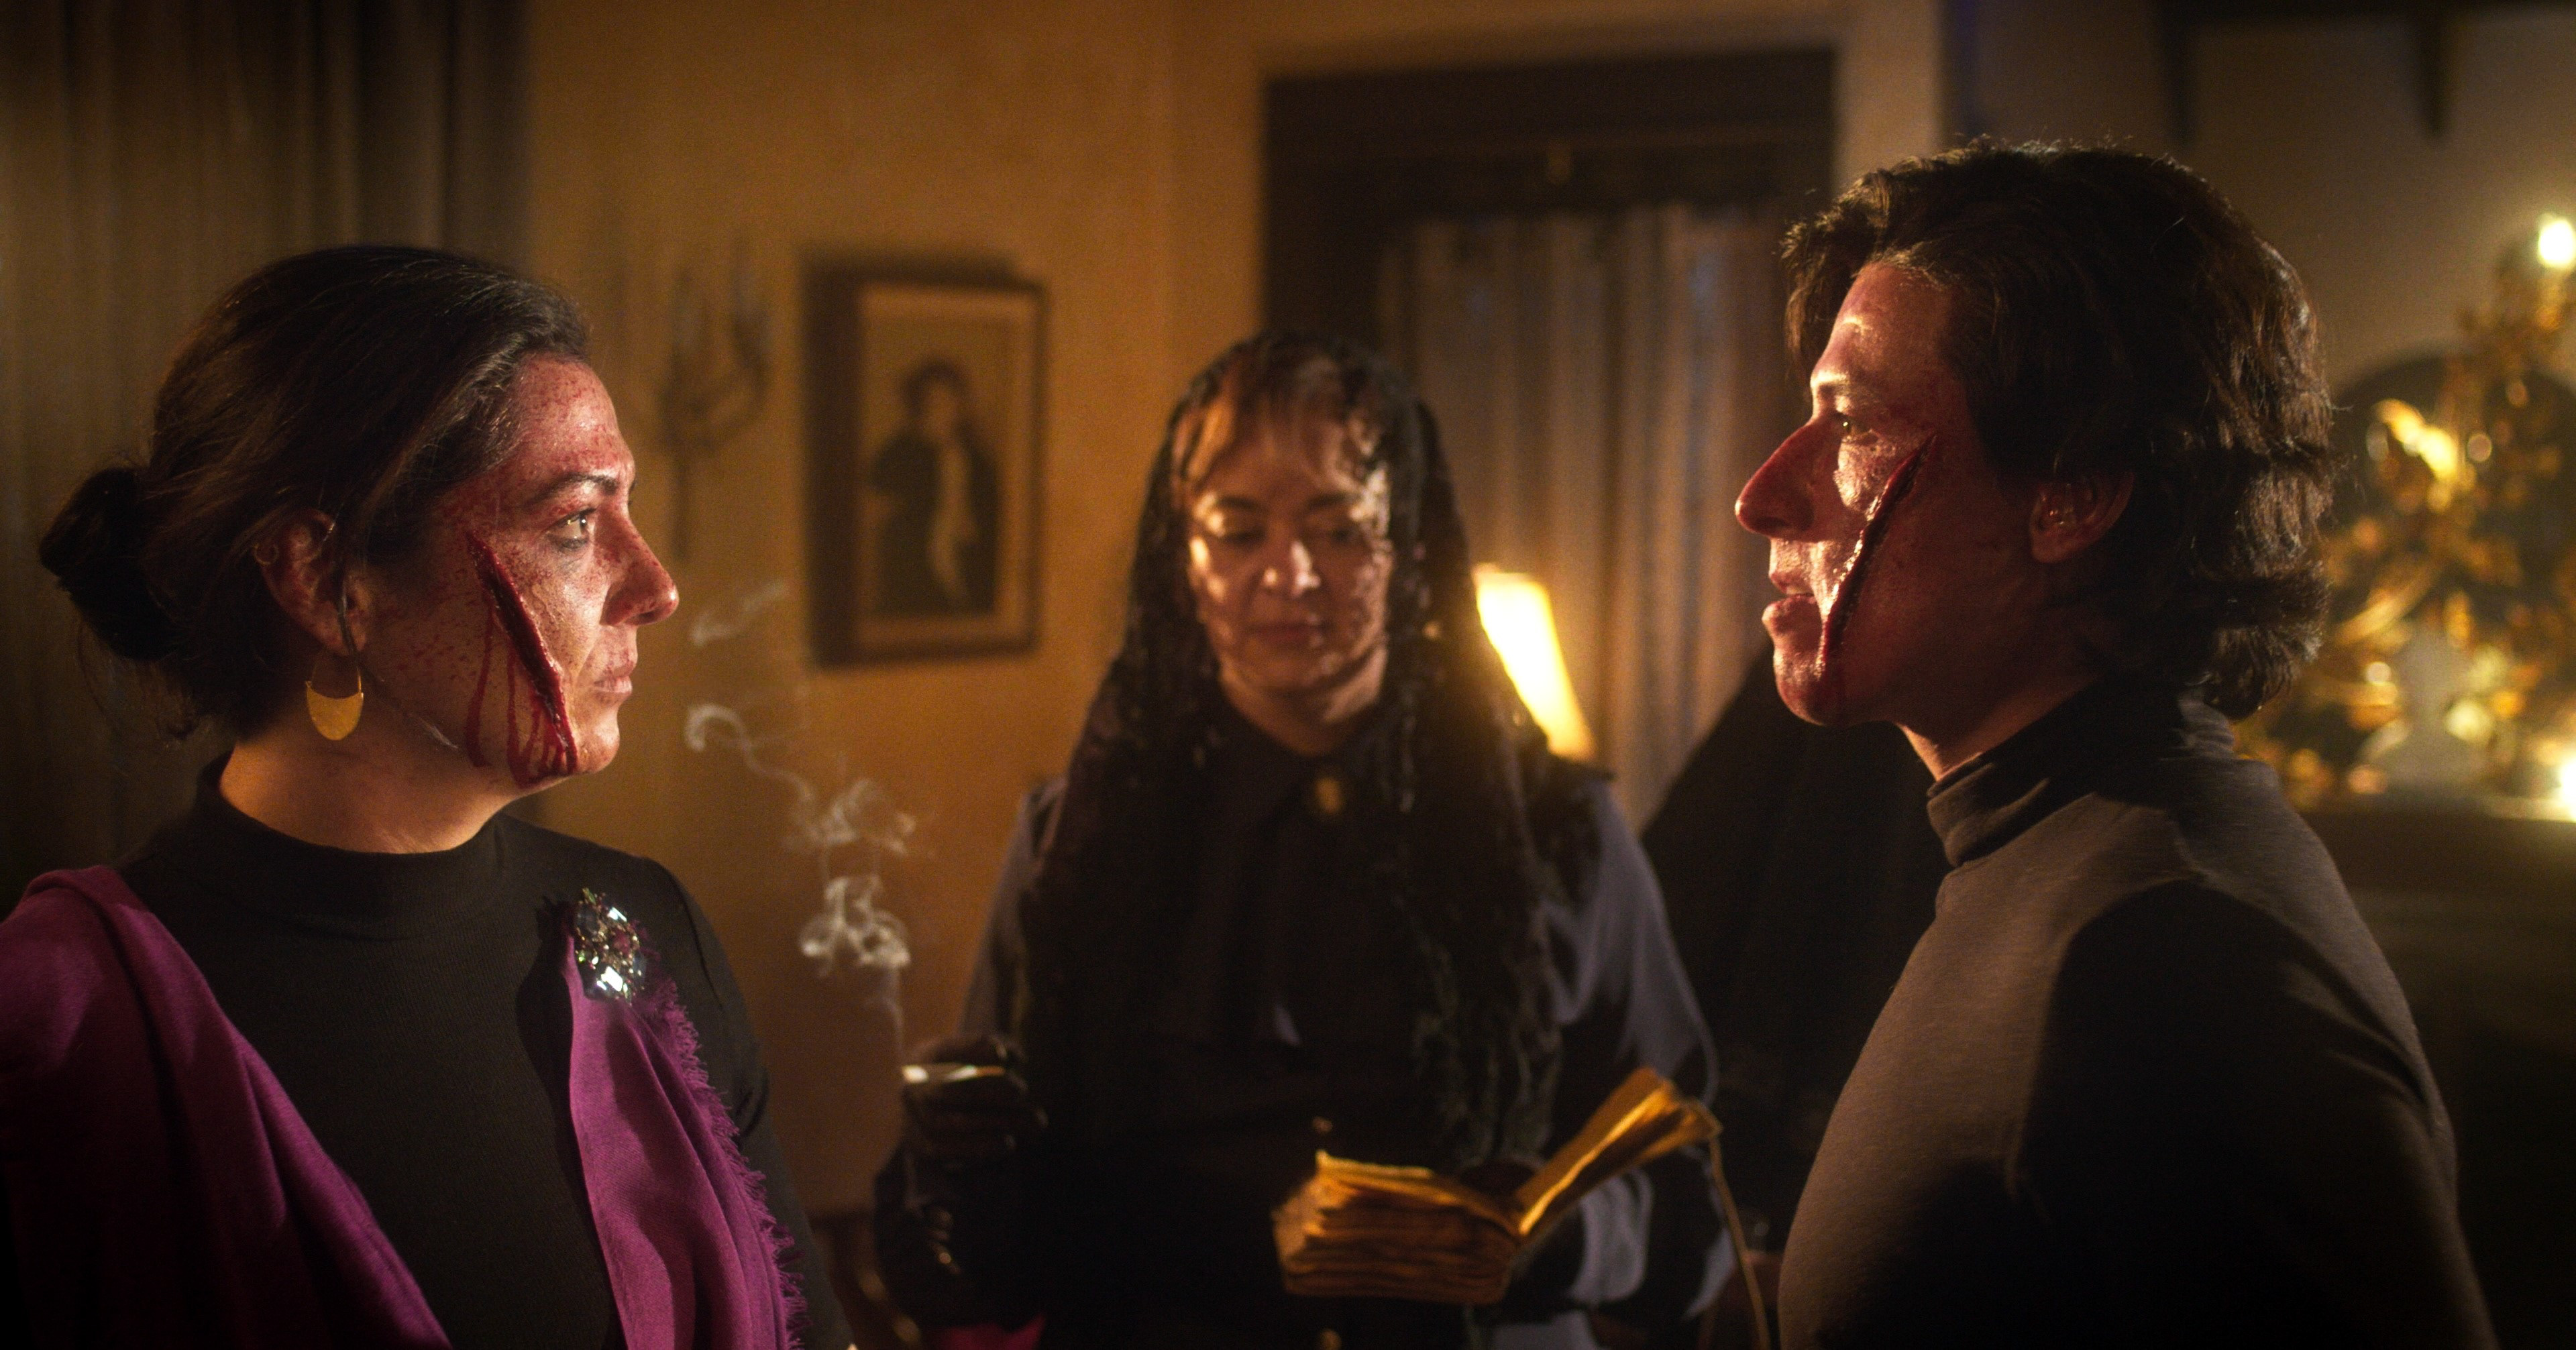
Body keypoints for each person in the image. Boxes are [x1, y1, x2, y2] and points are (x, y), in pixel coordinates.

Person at [3, 245, 851, 1350]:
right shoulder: (62, 1017)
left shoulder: (645, 930)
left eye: (624, 513)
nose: (655, 587)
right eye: (575, 523)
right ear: (325, 580)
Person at [1733, 142, 2496, 1347]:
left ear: (2074, 494)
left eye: (1854, 425)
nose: (1766, 495)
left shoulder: (2170, 953)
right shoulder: (2053, 866)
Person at [872, 333, 1731, 1348]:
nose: (1289, 574)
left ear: (1408, 545)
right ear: (1184, 559)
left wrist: (1558, 1237)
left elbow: (1695, 1207)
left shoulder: (1556, 832)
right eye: (1237, 531)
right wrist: (954, 1161)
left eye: (1339, 530)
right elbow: (985, 1274)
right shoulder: (1081, 842)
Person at [870, 359, 1001, 616]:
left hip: (966, 563)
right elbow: (879, 510)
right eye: (934, 403)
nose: (943, 410)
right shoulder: (898, 453)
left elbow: (991, 514)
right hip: (914, 568)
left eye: (950, 401)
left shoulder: (976, 458)